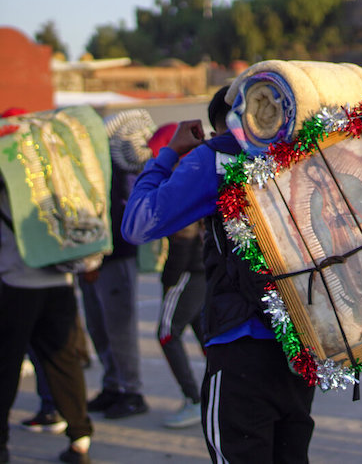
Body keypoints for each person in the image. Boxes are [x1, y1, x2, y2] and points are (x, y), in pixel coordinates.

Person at [121, 86, 315, 462]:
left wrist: (169, 154)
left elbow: (137, 223)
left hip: (241, 345)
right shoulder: (302, 155)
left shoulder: (218, 157)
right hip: (300, 345)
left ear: (223, 125)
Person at [1, 164, 93, 462]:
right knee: (63, 359)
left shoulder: (8, 167)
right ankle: (80, 439)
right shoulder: (52, 167)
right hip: (59, 279)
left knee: (6, 364)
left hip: (16, 280)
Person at [79, 110, 153, 419]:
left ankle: (132, 391)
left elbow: (116, 213)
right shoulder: (90, 165)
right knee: (99, 327)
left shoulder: (119, 165)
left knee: (119, 327)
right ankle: (113, 386)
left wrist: (97, 255)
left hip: (114, 255)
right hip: (92, 257)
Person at [147, 123, 207, 429]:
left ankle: (195, 400)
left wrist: (168, 280)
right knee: (206, 336)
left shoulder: (182, 178)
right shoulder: (201, 170)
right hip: (202, 271)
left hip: (188, 271)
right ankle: (212, 399)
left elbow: (183, 238)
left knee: (167, 333)